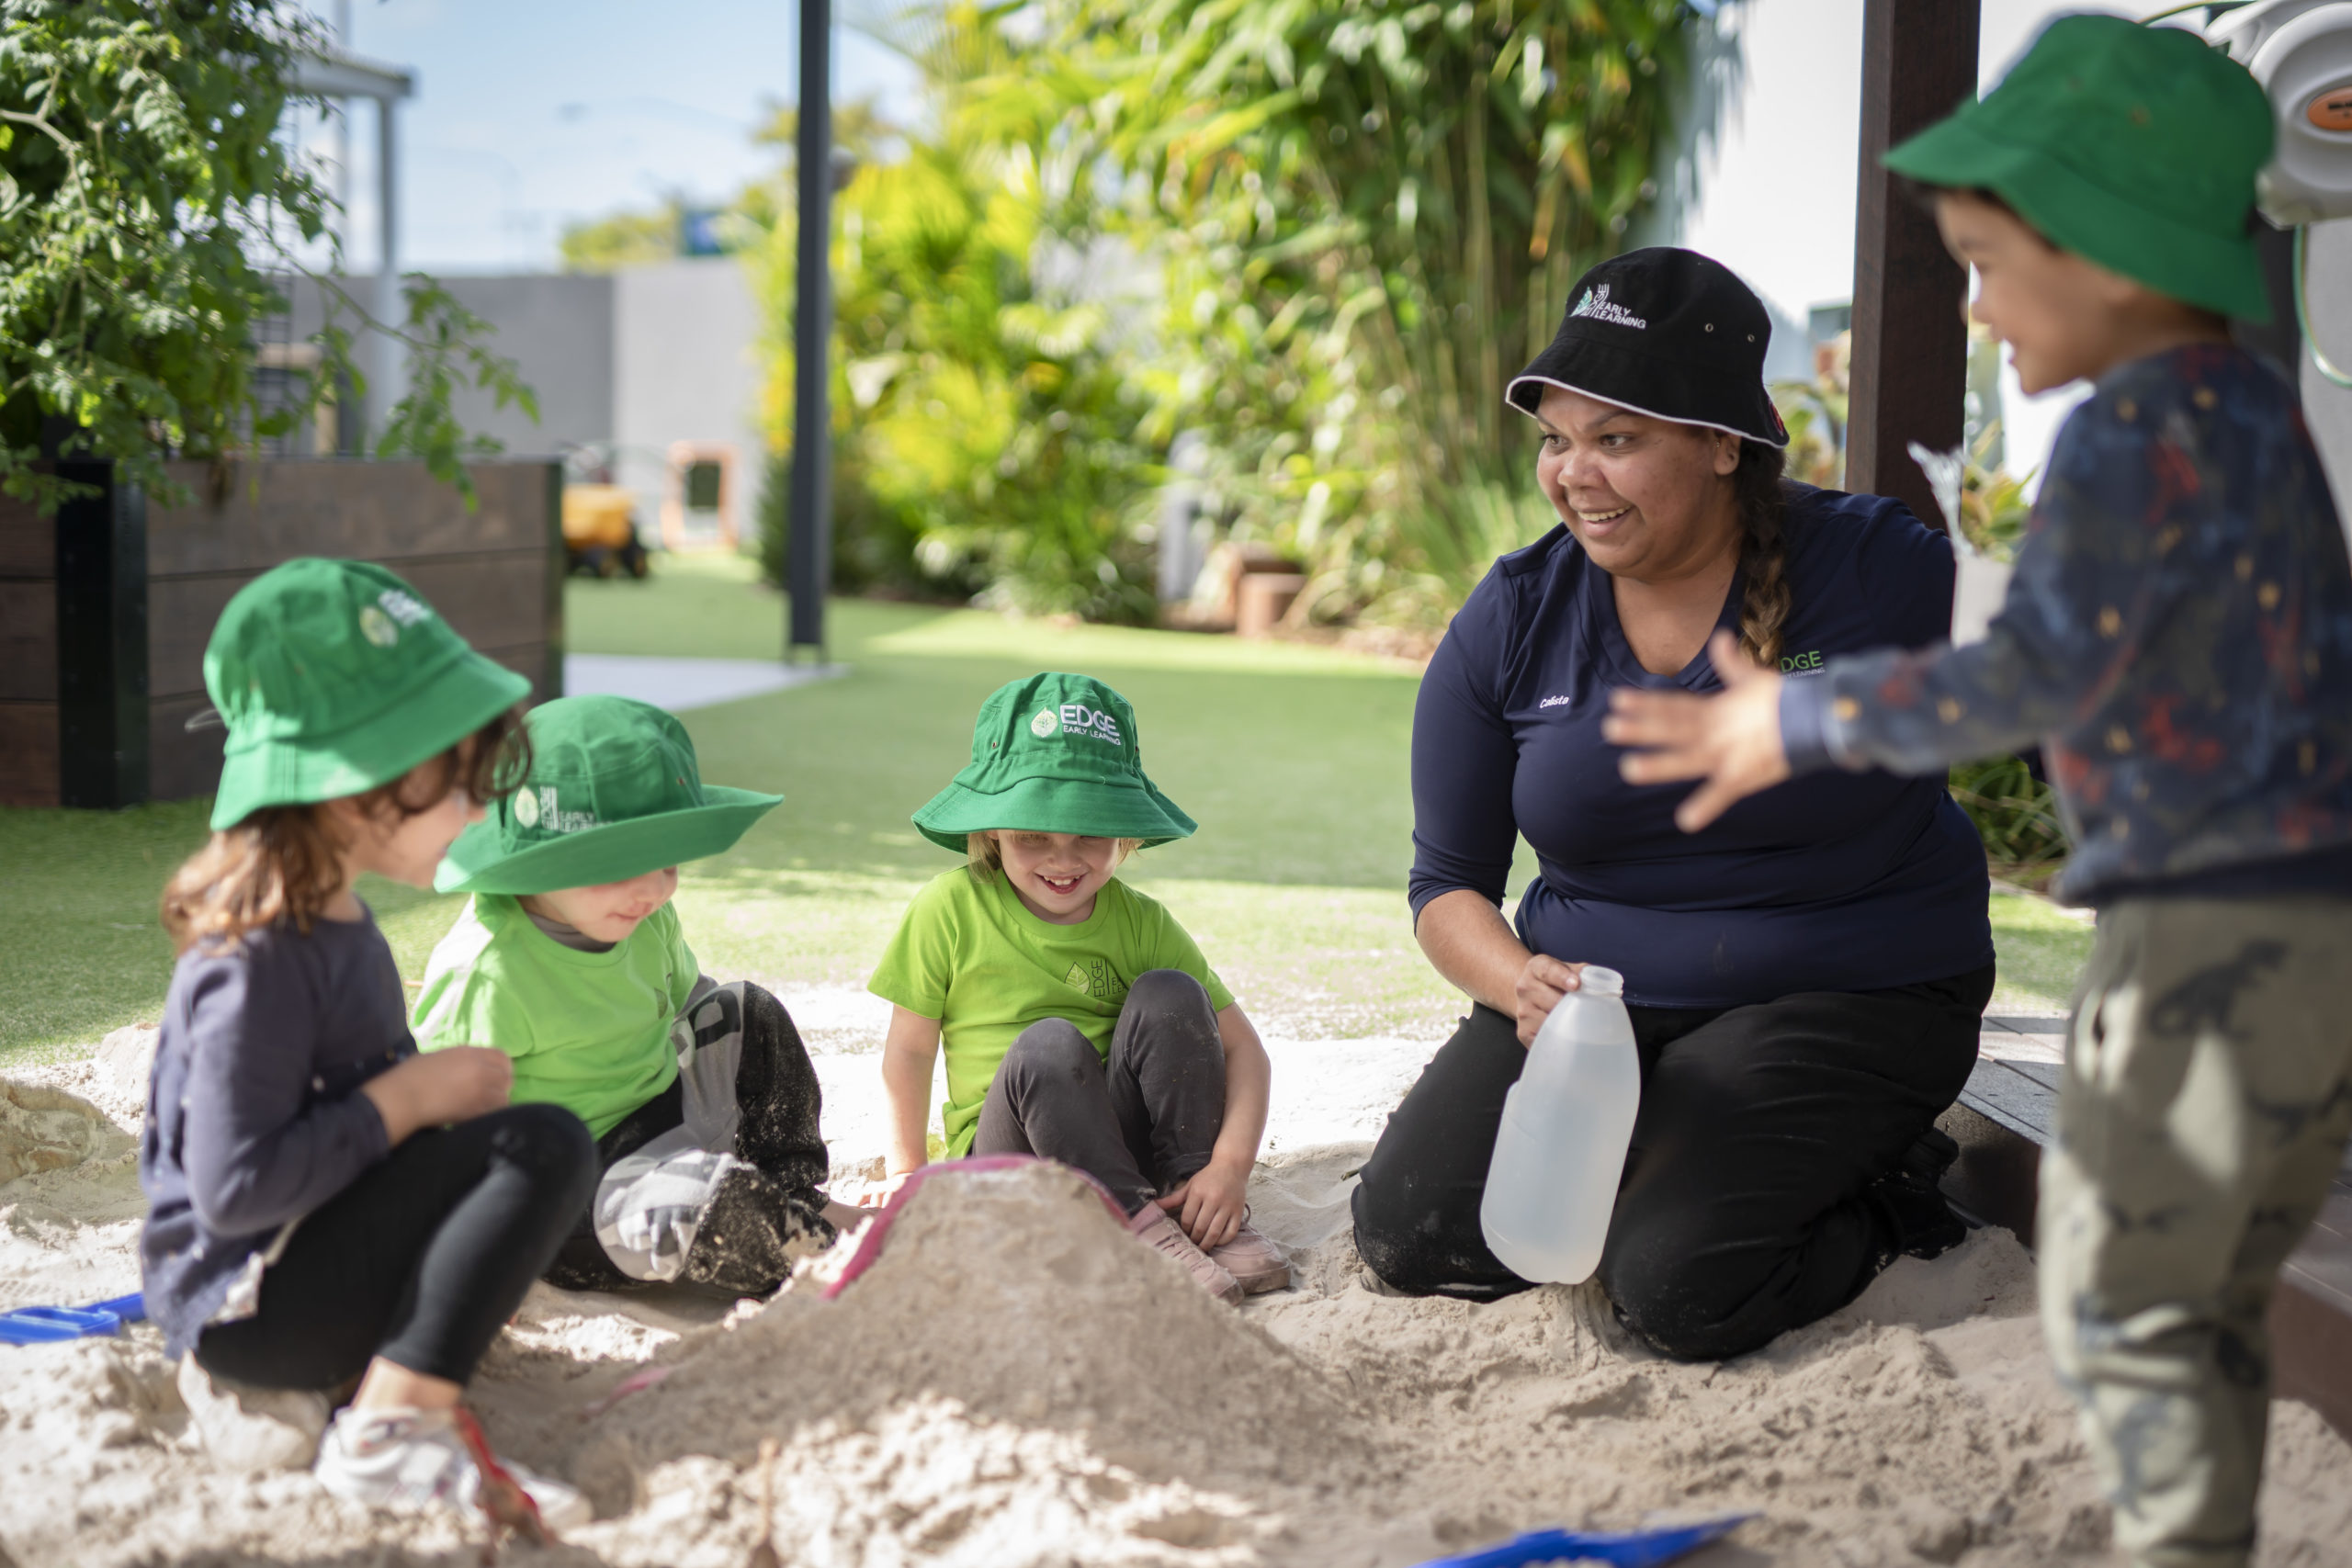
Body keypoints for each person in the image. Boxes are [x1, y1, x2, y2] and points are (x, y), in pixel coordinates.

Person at [1600, 20, 2352, 1568]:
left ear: (2114, 254)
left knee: (2138, 1293)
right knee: (2180, 1271)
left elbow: (2031, 675)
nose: (1979, 302)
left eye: (1996, 263)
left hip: (2209, 937)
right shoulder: (2260, 420)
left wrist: (1794, 723)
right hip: (2300, 923)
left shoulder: (2132, 438)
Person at [1350, 245, 1998, 1359]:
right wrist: (1520, 984)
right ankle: (1676, 1147)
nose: (1574, 475)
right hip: (1594, 1009)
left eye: (1616, 439)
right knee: (1414, 1234)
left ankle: (1894, 1198)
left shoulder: (1875, 569)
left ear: (1717, 443)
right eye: (1557, 439)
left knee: (1678, 1287)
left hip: (1850, 988)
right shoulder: (1513, 615)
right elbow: (1445, 884)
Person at [141, 558, 596, 1526]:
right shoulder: (257, 957)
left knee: (513, 1153)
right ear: (356, 787)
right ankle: (387, 1434)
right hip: (248, 1308)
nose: (478, 814)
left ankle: (388, 1381)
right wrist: (409, 1099)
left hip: (307, 1257)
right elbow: (231, 1191)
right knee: (542, 1143)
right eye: (460, 785)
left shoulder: (333, 917)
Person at [414, 694, 865, 1299]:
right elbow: (440, 1129)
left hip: (661, 1107)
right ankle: (811, 1249)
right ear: (536, 859)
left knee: (746, 1008)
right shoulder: (488, 972)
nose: (651, 889)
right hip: (582, 1187)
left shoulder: (642, 914)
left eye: (667, 862)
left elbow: (691, 1007)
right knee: (714, 1210)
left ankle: (794, 1192)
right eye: (617, 866)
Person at [868, 671, 1286, 1303]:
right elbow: (909, 1050)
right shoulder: (947, 909)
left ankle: (1193, 1209)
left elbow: (1244, 1051)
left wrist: (1228, 1169)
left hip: (1122, 1151)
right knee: (1049, 1046)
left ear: (1125, 834)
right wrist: (907, 1170)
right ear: (992, 830)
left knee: (1172, 992)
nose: (1063, 858)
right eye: (1034, 832)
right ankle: (1142, 1234)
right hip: (1011, 1162)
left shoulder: (1142, 922)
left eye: (1088, 830)